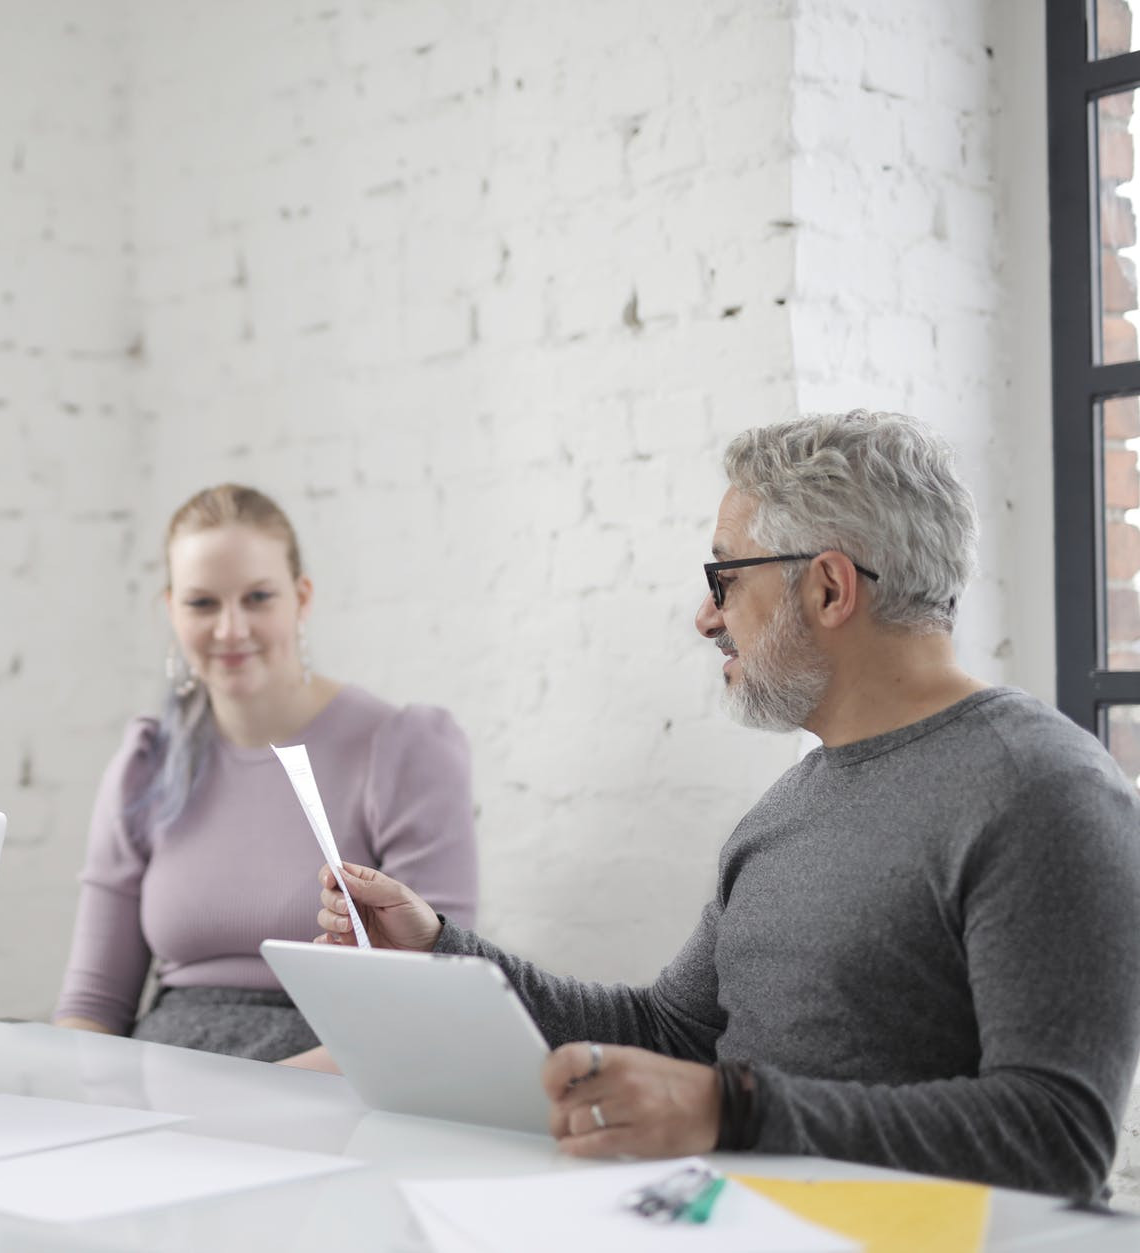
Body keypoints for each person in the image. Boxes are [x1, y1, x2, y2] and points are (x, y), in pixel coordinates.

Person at [308, 411, 1140, 1201]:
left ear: (828, 589)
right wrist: (441, 949)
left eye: (724, 576)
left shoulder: (1040, 790)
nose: (705, 615)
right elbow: (670, 1030)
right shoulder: (789, 805)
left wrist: (733, 1111)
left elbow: (1060, 1135)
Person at [53, 484, 477, 1062]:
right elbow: (93, 1004)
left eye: (257, 597)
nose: (230, 630)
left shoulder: (404, 749)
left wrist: (244, 1103)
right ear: (170, 610)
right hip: (163, 1080)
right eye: (202, 603)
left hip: (330, 1075)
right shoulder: (146, 762)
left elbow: (431, 1000)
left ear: (301, 599)